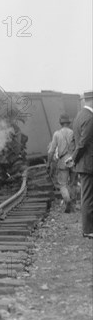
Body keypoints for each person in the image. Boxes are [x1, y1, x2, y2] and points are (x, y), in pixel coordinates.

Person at [72, 90, 93, 239]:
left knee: (87, 196)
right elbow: (83, 143)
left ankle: (88, 228)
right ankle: (88, 230)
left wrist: (74, 158)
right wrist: (73, 158)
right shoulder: (90, 118)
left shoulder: (79, 116)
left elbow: (78, 141)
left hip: (84, 163)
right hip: (88, 164)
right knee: (87, 197)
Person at [48, 114, 76, 212]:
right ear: (68, 123)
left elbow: (51, 151)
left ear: (61, 123)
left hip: (63, 161)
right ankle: (73, 205)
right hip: (73, 160)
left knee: (63, 184)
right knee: (73, 184)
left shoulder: (57, 134)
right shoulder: (73, 132)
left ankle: (67, 200)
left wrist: (48, 163)